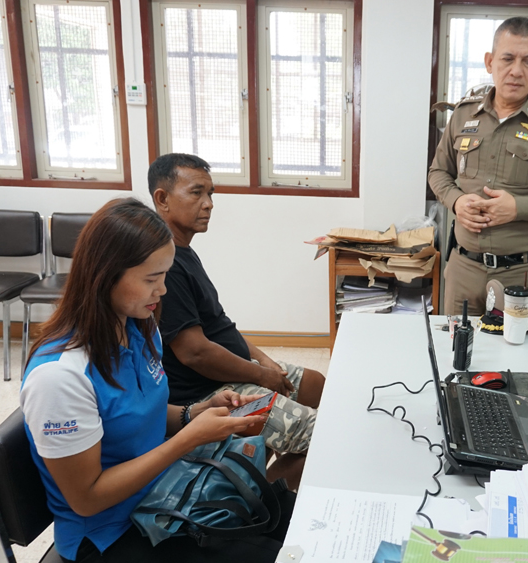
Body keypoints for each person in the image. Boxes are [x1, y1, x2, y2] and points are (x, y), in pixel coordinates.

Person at [21, 198, 282, 563]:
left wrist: (196, 413)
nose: (162, 291)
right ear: (105, 274)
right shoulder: (58, 378)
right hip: (109, 533)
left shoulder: (139, 329)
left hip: (161, 492)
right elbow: (86, 498)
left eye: (165, 275)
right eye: (151, 279)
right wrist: (189, 439)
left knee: (284, 513)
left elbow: (142, 414)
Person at [148, 153, 324, 488]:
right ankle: (255, 506)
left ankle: (261, 462)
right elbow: (195, 352)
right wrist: (260, 376)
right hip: (210, 389)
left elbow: (218, 324)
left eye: (211, 194)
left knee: (314, 383)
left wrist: (263, 358)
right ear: (162, 199)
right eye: (196, 193)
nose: (209, 203)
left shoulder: (183, 251)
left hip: (236, 369)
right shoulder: (165, 264)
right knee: (323, 436)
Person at [428, 16, 528, 317]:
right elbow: (438, 172)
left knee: (520, 361)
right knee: (457, 354)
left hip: (524, 274)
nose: (516, 71)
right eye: (508, 58)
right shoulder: (464, 116)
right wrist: (457, 200)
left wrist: (519, 208)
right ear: (490, 62)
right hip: (463, 269)